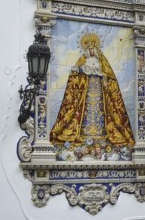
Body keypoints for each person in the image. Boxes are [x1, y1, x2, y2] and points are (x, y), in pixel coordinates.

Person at [50, 32, 134, 160]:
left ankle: (102, 136)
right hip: (87, 92)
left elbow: (108, 74)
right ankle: (84, 135)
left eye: (92, 48)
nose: (91, 50)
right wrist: (79, 71)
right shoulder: (83, 60)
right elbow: (76, 75)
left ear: (96, 48)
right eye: (88, 48)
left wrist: (105, 79)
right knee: (84, 113)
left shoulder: (102, 61)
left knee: (101, 112)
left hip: (99, 92)